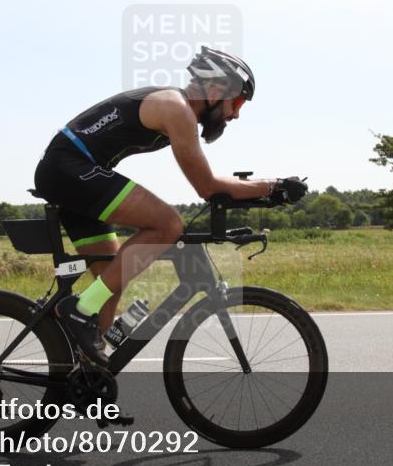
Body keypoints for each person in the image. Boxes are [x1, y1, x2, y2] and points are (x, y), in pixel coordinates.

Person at [33, 46, 308, 365]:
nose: (236, 115)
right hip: (68, 169)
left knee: (110, 279)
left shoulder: (177, 108)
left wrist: (267, 193)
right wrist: (272, 185)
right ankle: (79, 311)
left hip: (72, 172)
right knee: (167, 224)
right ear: (216, 90)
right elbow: (207, 186)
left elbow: (212, 186)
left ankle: (86, 374)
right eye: (237, 103)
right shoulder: (176, 109)